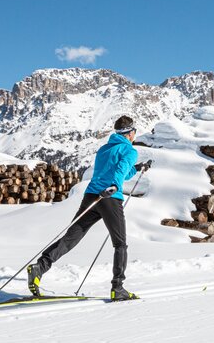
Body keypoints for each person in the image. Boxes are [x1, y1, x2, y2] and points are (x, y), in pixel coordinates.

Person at [27, 115, 151, 301]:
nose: (135, 135)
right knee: (120, 244)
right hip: (110, 198)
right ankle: (118, 288)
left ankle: (40, 267)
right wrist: (115, 186)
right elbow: (120, 172)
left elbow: (120, 170)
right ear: (129, 133)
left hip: (91, 196)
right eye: (134, 131)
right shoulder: (129, 150)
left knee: (71, 238)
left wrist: (137, 168)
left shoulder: (104, 149)